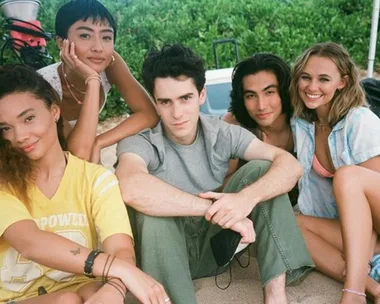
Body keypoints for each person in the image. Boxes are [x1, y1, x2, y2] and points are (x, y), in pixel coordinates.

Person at [115, 44, 314, 304]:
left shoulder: (222, 132)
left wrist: (246, 199)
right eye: (165, 102)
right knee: (151, 212)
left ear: (201, 95)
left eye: (185, 98)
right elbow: (130, 187)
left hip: (213, 250)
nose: (177, 113)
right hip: (162, 258)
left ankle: (275, 296)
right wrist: (214, 209)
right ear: (155, 102)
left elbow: (290, 165)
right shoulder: (140, 143)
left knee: (261, 171)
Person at [0, 65, 169, 304]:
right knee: (66, 301)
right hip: (16, 298)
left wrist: (116, 289)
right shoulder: (4, 182)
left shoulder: (96, 180)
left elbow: (120, 249)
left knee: (93, 294)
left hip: (81, 291)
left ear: (54, 111)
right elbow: (29, 242)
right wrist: (122, 271)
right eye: (5, 128)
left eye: (28, 118)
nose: (19, 136)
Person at [290, 42, 380, 304]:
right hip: (352, 229)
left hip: (376, 224)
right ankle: (372, 287)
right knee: (291, 224)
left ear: (342, 82)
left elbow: (372, 208)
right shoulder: (302, 124)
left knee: (348, 176)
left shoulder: (361, 121)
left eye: (323, 79)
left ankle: (353, 293)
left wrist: (360, 251)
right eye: (305, 77)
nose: (312, 86)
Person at [38, 0, 159, 163]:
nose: (98, 47)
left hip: (84, 148)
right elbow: (78, 154)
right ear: (61, 42)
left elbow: (150, 114)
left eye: (106, 37)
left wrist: (99, 141)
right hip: (47, 161)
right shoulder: (44, 84)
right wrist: (93, 81)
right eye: (85, 35)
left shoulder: (111, 62)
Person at [223, 53, 296, 203]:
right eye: (251, 96)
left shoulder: (304, 125)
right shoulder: (234, 127)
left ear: (284, 92)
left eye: (269, 92)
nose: (261, 106)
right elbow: (221, 187)